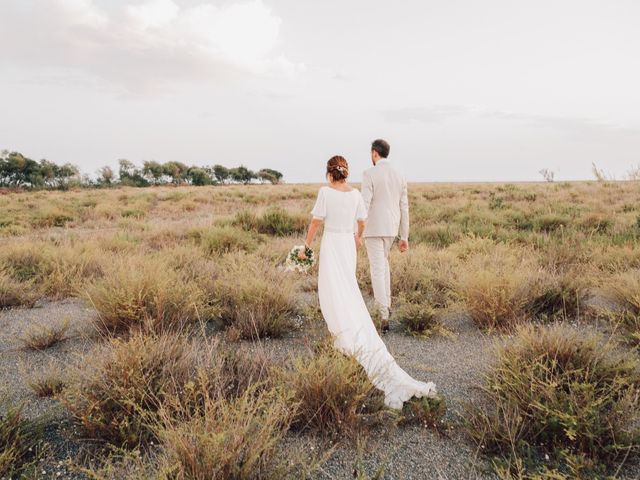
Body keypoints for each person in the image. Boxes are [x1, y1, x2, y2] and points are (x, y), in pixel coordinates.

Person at [299, 155, 437, 410]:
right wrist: (358, 238)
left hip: (332, 244)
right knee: (348, 288)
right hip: (347, 244)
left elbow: (316, 222)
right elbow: (362, 222)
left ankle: (341, 334)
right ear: (345, 173)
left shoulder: (325, 192)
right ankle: (346, 332)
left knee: (333, 288)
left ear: (329, 174)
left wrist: (305, 246)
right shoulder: (354, 195)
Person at [361, 139, 409, 332]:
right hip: (392, 228)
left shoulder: (369, 173)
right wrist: (404, 236)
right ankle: (386, 305)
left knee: (377, 269)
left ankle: (383, 314)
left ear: (374, 153)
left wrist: (358, 228)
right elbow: (404, 207)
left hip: (373, 228)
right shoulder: (399, 174)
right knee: (384, 266)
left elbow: (364, 203)